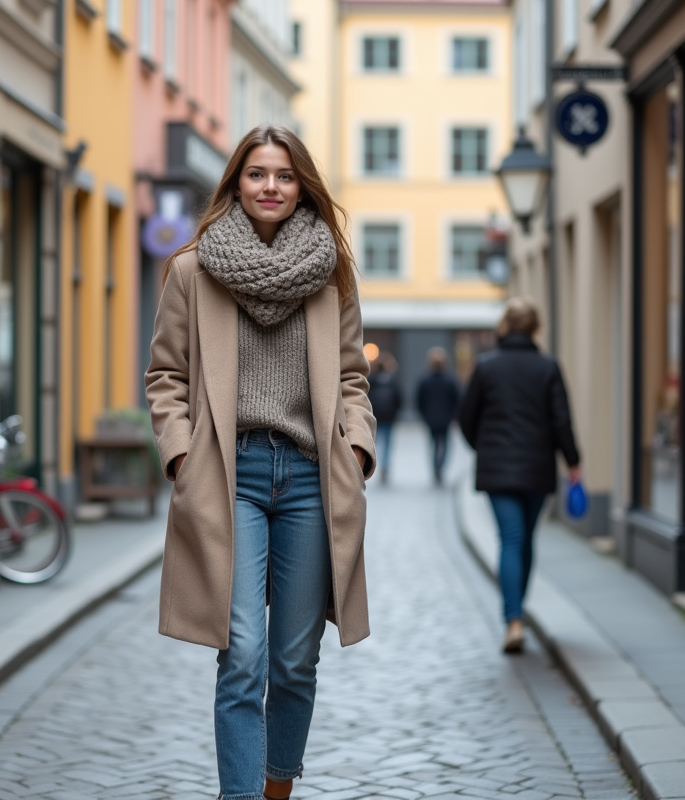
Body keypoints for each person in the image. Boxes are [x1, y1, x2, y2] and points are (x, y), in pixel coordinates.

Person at [145, 124, 376, 800]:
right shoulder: (192, 270)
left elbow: (352, 376)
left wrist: (356, 447)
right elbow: (166, 377)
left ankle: (277, 789)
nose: (270, 186)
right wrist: (182, 456)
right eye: (256, 174)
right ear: (236, 184)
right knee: (241, 652)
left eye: (283, 174)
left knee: (295, 660)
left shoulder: (331, 272)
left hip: (311, 479)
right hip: (229, 476)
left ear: (301, 185)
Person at [457, 297, 581, 654]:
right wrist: (573, 462)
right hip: (538, 465)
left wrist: (485, 447)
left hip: (498, 468)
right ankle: (517, 612)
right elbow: (562, 420)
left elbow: (466, 418)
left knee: (510, 538)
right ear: (535, 329)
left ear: (505, 327)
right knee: (525, 539)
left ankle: (513, 619)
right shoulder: (548, 367)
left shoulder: (486, 367)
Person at [416, 346, 460, 485]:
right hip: (446, 419)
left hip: (431, 419)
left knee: (433, 445)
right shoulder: (450, 380)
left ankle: (436, 468)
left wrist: (424, 416)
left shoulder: (425, 380)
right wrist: (454, 416)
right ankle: (440, 467)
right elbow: (457, 399)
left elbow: (419, 400)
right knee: (445, 445)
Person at [368, 354, 402, 484]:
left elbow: (366, 397)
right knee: (387, 443)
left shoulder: (372, 380)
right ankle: (385, 466)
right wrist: (395, 413)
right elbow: (399, 399)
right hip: (389, 417)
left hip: (375, 416)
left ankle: (372, 464)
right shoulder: (393, 380)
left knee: (374, 442)